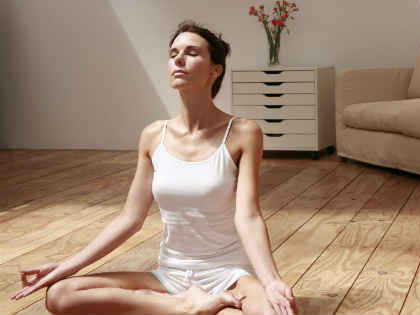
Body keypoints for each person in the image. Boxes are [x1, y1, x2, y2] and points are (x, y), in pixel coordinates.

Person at [11, 20, 298, 315]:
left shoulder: (243, 133)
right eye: (173, 53)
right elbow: (130, 219)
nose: (179, 59)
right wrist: (65, 266)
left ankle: (196, 306)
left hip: (229, 274)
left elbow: (248, 216)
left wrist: (272, 281)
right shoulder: (153, 136)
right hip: (171, 276)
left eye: (192, 53)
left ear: (215, 70)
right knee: (60, 294)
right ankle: (186, 306)